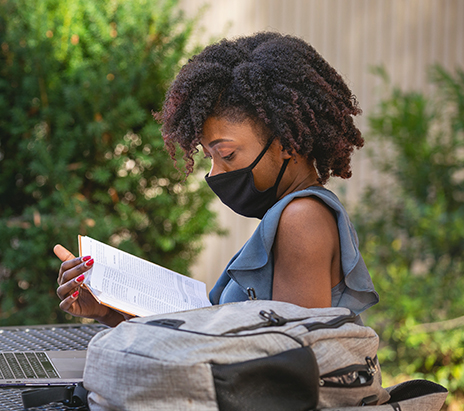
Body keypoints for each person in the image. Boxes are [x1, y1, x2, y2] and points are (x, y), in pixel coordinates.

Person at [55, 32, 379, 327]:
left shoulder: (302, 218)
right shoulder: (288, 214)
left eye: (227, 155)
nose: (215, 174)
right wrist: (110, 310)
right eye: (209, 158)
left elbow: (290, 367)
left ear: (286, 145)